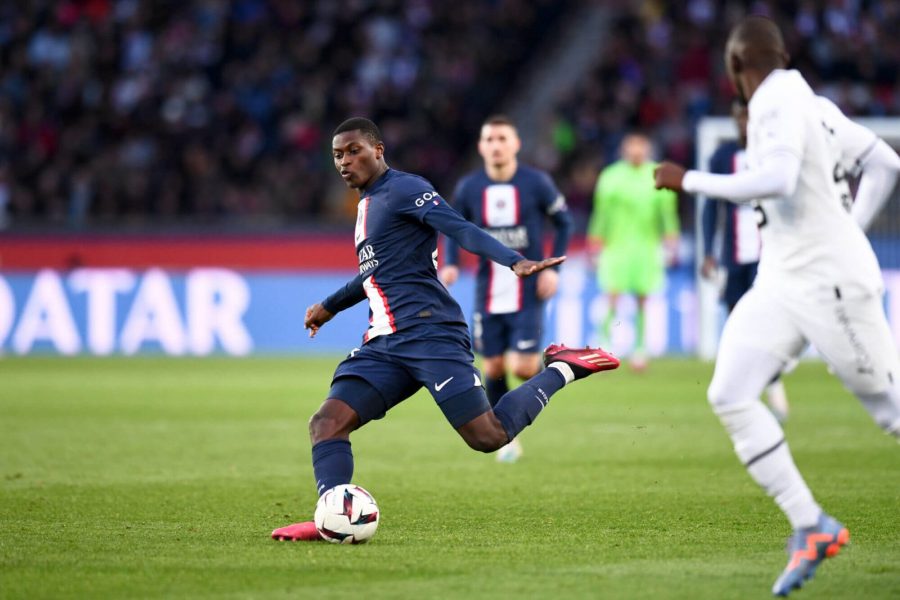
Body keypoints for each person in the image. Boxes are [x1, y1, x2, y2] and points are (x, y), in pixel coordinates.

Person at [272, 117, 620, 542]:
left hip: (431, 333)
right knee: (326, 423)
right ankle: (330, 515)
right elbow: (376, 272)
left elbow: (459, 227)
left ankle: (564, 367)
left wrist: (515, 261)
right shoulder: (367, 206)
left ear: (378, 150)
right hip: (384, 343)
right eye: (337, 155)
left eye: (354, 151)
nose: (345, 161)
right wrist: (329, 306)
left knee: (488, 437)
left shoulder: (404, 188)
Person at [654, 16, 900, 597]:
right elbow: (886, 163)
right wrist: (849, 228)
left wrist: (688, 180)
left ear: (737, 67)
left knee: (893, 412)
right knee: (730, 392)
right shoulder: (813, 103)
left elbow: (781, 179)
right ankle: (811, 524)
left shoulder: (773, 99)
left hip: (830, 282)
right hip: (783, 280)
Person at [439, 115, 572, 463]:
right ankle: (506, 435)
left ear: (515, 144)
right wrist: (450, 263)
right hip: (488, 291)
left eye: (502, 138)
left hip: (527, 290)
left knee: (525, 368)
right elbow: (454, 227)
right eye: (489, 139)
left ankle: (560, 370)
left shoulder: (536, 183)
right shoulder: (470, 188)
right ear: (481, 146)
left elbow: (563, 221)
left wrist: (555, 269)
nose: (496, 145)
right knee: (494, 367)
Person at [701, 99, 789, 423]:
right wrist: (708, 251)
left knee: (768, 320)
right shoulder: (723, 157)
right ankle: (748, 388)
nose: (744, 124)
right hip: (734, 255)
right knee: (736, 319)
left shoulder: (776, 156)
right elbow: (711, 207)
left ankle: (773, 382)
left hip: (771, 255)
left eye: (749, 118)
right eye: (740, 118)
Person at [588, 133, 680, 371]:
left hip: (646, 246)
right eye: (632, 148)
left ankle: (640, 349)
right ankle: (604, 346)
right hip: (616, 245)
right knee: (612, 294)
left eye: (640, 147)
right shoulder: (610, 176)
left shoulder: (657, 175)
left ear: (647, 149)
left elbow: (667, 212)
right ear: (624, 150)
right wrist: (595, 240)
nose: (636, 152)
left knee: (643, 298)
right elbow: (601, 213)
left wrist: (671, 236)